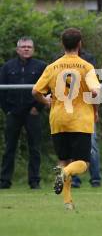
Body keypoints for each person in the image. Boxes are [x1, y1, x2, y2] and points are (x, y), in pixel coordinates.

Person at [32, 28, 101, 210]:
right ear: (80, 44)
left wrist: (46, 101)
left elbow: (35, 91)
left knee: (63, 160)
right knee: (82, 163)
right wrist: (95, 110)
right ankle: (64, 173)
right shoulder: (87, 67)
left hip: (58, 119)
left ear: (62, 44)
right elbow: (95, 91)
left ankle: (68, 202)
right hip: (79, 119)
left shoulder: (52, 67)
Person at [0, 37, 46, 189]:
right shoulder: (7, 67)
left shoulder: (41, 67)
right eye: (23, 47)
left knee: (35, 148)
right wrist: (7, 110)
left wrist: (37, 108)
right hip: (13, 112)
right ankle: (5, 181)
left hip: (32, 112)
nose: (26, 49)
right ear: (17, 49)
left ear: (33, 49)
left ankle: (34, 181)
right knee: (9, 148)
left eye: (29, 47)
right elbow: (2, 90)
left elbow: (48, 88)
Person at [70, 50, 102, 188]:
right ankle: (74, 179)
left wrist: (95, 110)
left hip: (85, 110)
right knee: (73, 146)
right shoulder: (59, 60)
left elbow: (94, 88)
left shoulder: (89, 60)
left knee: (91, 145)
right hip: (69, 111)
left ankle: (95, 178)